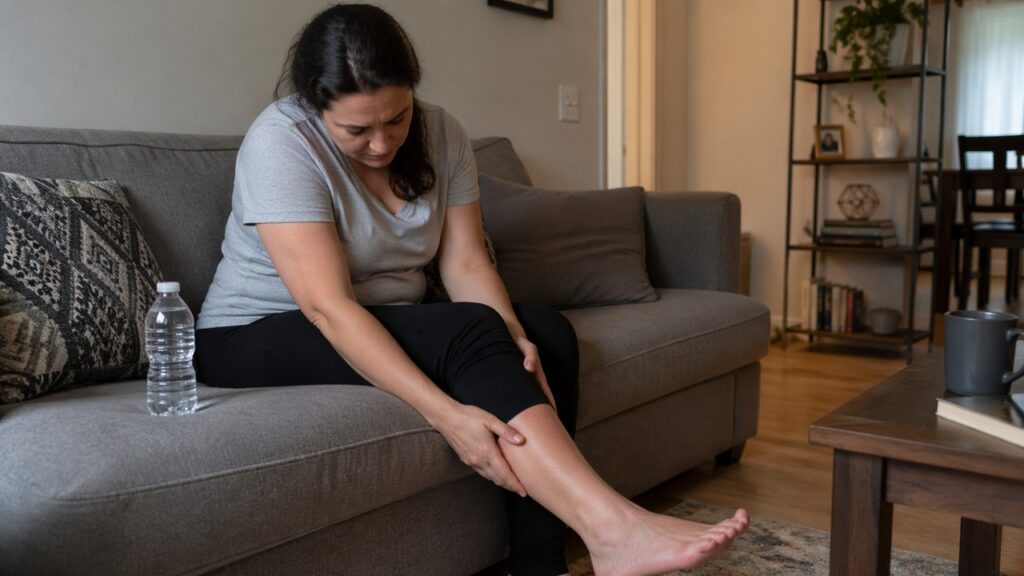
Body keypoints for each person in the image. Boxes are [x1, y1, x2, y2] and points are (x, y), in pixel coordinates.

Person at [194, 4, 749, 575]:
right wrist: (445, 414)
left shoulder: (442, 132)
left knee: (545, 335)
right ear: (315, 106)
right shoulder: (282, 142)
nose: (382, 145)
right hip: (252, 333)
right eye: (357, 130)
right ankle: (612, 529)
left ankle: (539, 566)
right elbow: (328, 307)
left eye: (396, 119)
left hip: (379, 313)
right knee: (470, 329)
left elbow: (465, 263)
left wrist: (513, 335)